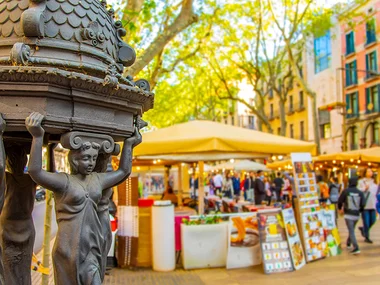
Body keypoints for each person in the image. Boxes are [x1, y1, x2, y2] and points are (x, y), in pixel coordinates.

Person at [25, 112, 141, 285]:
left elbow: (123, 172)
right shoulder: (64, 182)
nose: (91, 163)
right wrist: (37, 136)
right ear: (74, 160)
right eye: (86, 158)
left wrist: (130, 145)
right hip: (67, 250)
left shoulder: (97, 180)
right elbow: (36, 172)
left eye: (93, 159)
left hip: (92, 248)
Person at [0, 144, 37, 285]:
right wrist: (50, 149)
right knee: (14, 268)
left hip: (14, 228)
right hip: (13, 229)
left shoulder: (7, 177)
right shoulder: (31, 178)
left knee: (13, 267)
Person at [338, 177, 365, 255]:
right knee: (352, 229)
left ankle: (356, 247)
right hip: (356, 214)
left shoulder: (346, 191)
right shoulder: (360, 193)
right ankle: (348, 242)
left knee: (351, 230)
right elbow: (363, 204)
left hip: (348, 214)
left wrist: (340, 208)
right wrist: (360, 210)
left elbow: (340, 201)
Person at [358, 168, 378, 243]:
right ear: (365, 173)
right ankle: (367, 237)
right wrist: (364, 188)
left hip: (373, 204)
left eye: (371, 171)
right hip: (365, 204)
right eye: (368, 171)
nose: (370, 172)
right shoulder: (361, 181)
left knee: (373, 220)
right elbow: (358, 191)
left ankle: (364, 230)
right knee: (366, 221)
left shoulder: (375, 182)